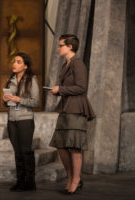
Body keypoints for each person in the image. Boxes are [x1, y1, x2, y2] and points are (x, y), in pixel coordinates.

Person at [49, 34, 95, 194]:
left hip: (76, 108)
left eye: (61, 45)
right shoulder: (66, 64)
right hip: (65, 108)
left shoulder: (78, 63)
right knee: (61, 146)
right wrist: (57, 91)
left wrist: (60, 89)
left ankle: (76, 180)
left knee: (75, 146)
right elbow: (69, 87)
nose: (58, 48)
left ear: (69, 46)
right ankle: (71, 177)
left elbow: (81, 87)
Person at [3, 52, 40, 192]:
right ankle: (20, 182)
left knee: (26, 151)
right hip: (12, 120)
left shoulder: (31, 80)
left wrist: (20, 100)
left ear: (25, 66)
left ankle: (30, 183)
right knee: (17, 152)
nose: (14, 64)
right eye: (14, 61)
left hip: (25, 119)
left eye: (18, 62)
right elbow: (7, 103)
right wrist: (6, 100)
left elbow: (35, 102)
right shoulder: (10, 80)